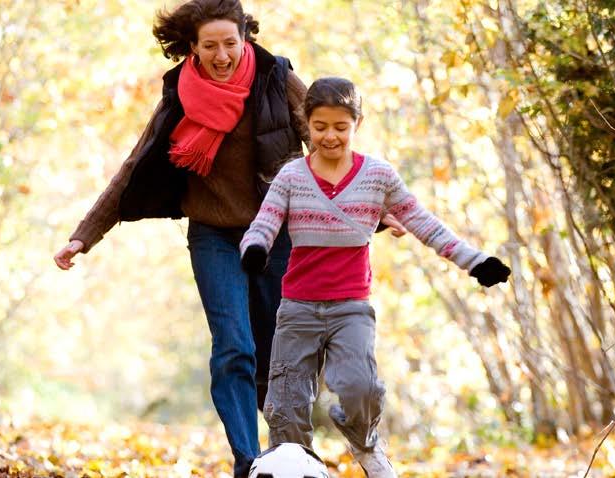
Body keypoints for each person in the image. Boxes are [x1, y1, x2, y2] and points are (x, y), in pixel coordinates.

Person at [50, 2, 403, 476]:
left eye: (230, 44)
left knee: (279, 354)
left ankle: (289, 454)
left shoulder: (276, 78)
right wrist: (84, 236)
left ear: (245, 38)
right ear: (192, 48)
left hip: (276, 234)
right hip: (213, 236)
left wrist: (378, 209)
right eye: (210, 46)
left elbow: (327, 144)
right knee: (234, 346)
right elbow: (135, 165)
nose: (221, 56)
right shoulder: (180, 92)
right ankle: (248, 460)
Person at [238, 77, 511, 478]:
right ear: (306, 124)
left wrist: (475, 262)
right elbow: (265, 222)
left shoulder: (377, 176)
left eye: (340, 127)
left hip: (350, 308)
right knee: (286, 403)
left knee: (360, 388)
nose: (330, 136)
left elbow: (423, 223)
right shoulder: (292, 176)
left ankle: (366, 444)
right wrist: (255, 248)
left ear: (357, 124)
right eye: (320, 126)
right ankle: (292, 466)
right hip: (297, 308)